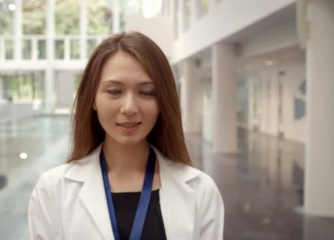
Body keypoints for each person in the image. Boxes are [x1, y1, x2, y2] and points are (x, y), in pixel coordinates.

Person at [28, 31, 224, 240]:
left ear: (163, 102)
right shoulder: (53, 189)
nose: (129, 108)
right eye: (114, 91)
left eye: (147, 92)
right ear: (92, 99)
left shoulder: (201, 190)